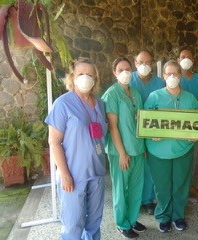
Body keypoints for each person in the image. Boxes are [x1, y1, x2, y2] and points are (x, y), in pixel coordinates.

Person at [45, 57, 108, 239]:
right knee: (73, 225)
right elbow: (54, 142)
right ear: (72, 77)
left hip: (96, 170)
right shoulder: (63, 104)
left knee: (94, 221)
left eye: (90, 74)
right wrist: (64, 174)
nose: (85, 77)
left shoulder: (99, 104)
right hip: (73, 173)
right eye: (81, 74)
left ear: (95, 78)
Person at [144, 60, 198, 233]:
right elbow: (144, 122)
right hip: (158, 151)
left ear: (180, 75)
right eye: (168, 74)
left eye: (175, 73)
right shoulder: (154, 97)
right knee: (161, 186)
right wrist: (151, 134)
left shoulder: (189, 98)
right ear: (163, 76)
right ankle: (163, 216)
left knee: (180, 185)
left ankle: (178, 216)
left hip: (183, 149)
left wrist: (195, 136)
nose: (172, 77)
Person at [101, 57, 146, 239]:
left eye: (128, 68)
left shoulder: (135, 93)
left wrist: (142, 147)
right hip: (120, 152)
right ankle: (121, 223)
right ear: (115, 73)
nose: (125, 72)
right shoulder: (112, 94)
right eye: (121, 69)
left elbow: (141, 121)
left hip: (137, 149)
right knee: (121, 189)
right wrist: (122, 153)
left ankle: (132, 219)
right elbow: (112, 127)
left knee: (136, 187)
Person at [130, 50, 165, 215]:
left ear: (152, 64)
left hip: (153, 130)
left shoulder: (160, 83)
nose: (144, 65)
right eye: (140, 62)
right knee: (135, 167)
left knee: (150, 167)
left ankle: (148, 200)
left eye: (147, 62)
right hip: (131, 130)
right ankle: (134, 199)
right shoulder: (128, 80)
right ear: (135, 63)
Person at [178, 47, 198, 201]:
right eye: (183, 56)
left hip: (194, 124)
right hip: (177, 124)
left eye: (189, 56)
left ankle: (189, 184)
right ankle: (179, 186)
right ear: (178, 60)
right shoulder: (174, 78)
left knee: (193, 156)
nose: (186, 59)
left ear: (193, 60)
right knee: (179, 155)